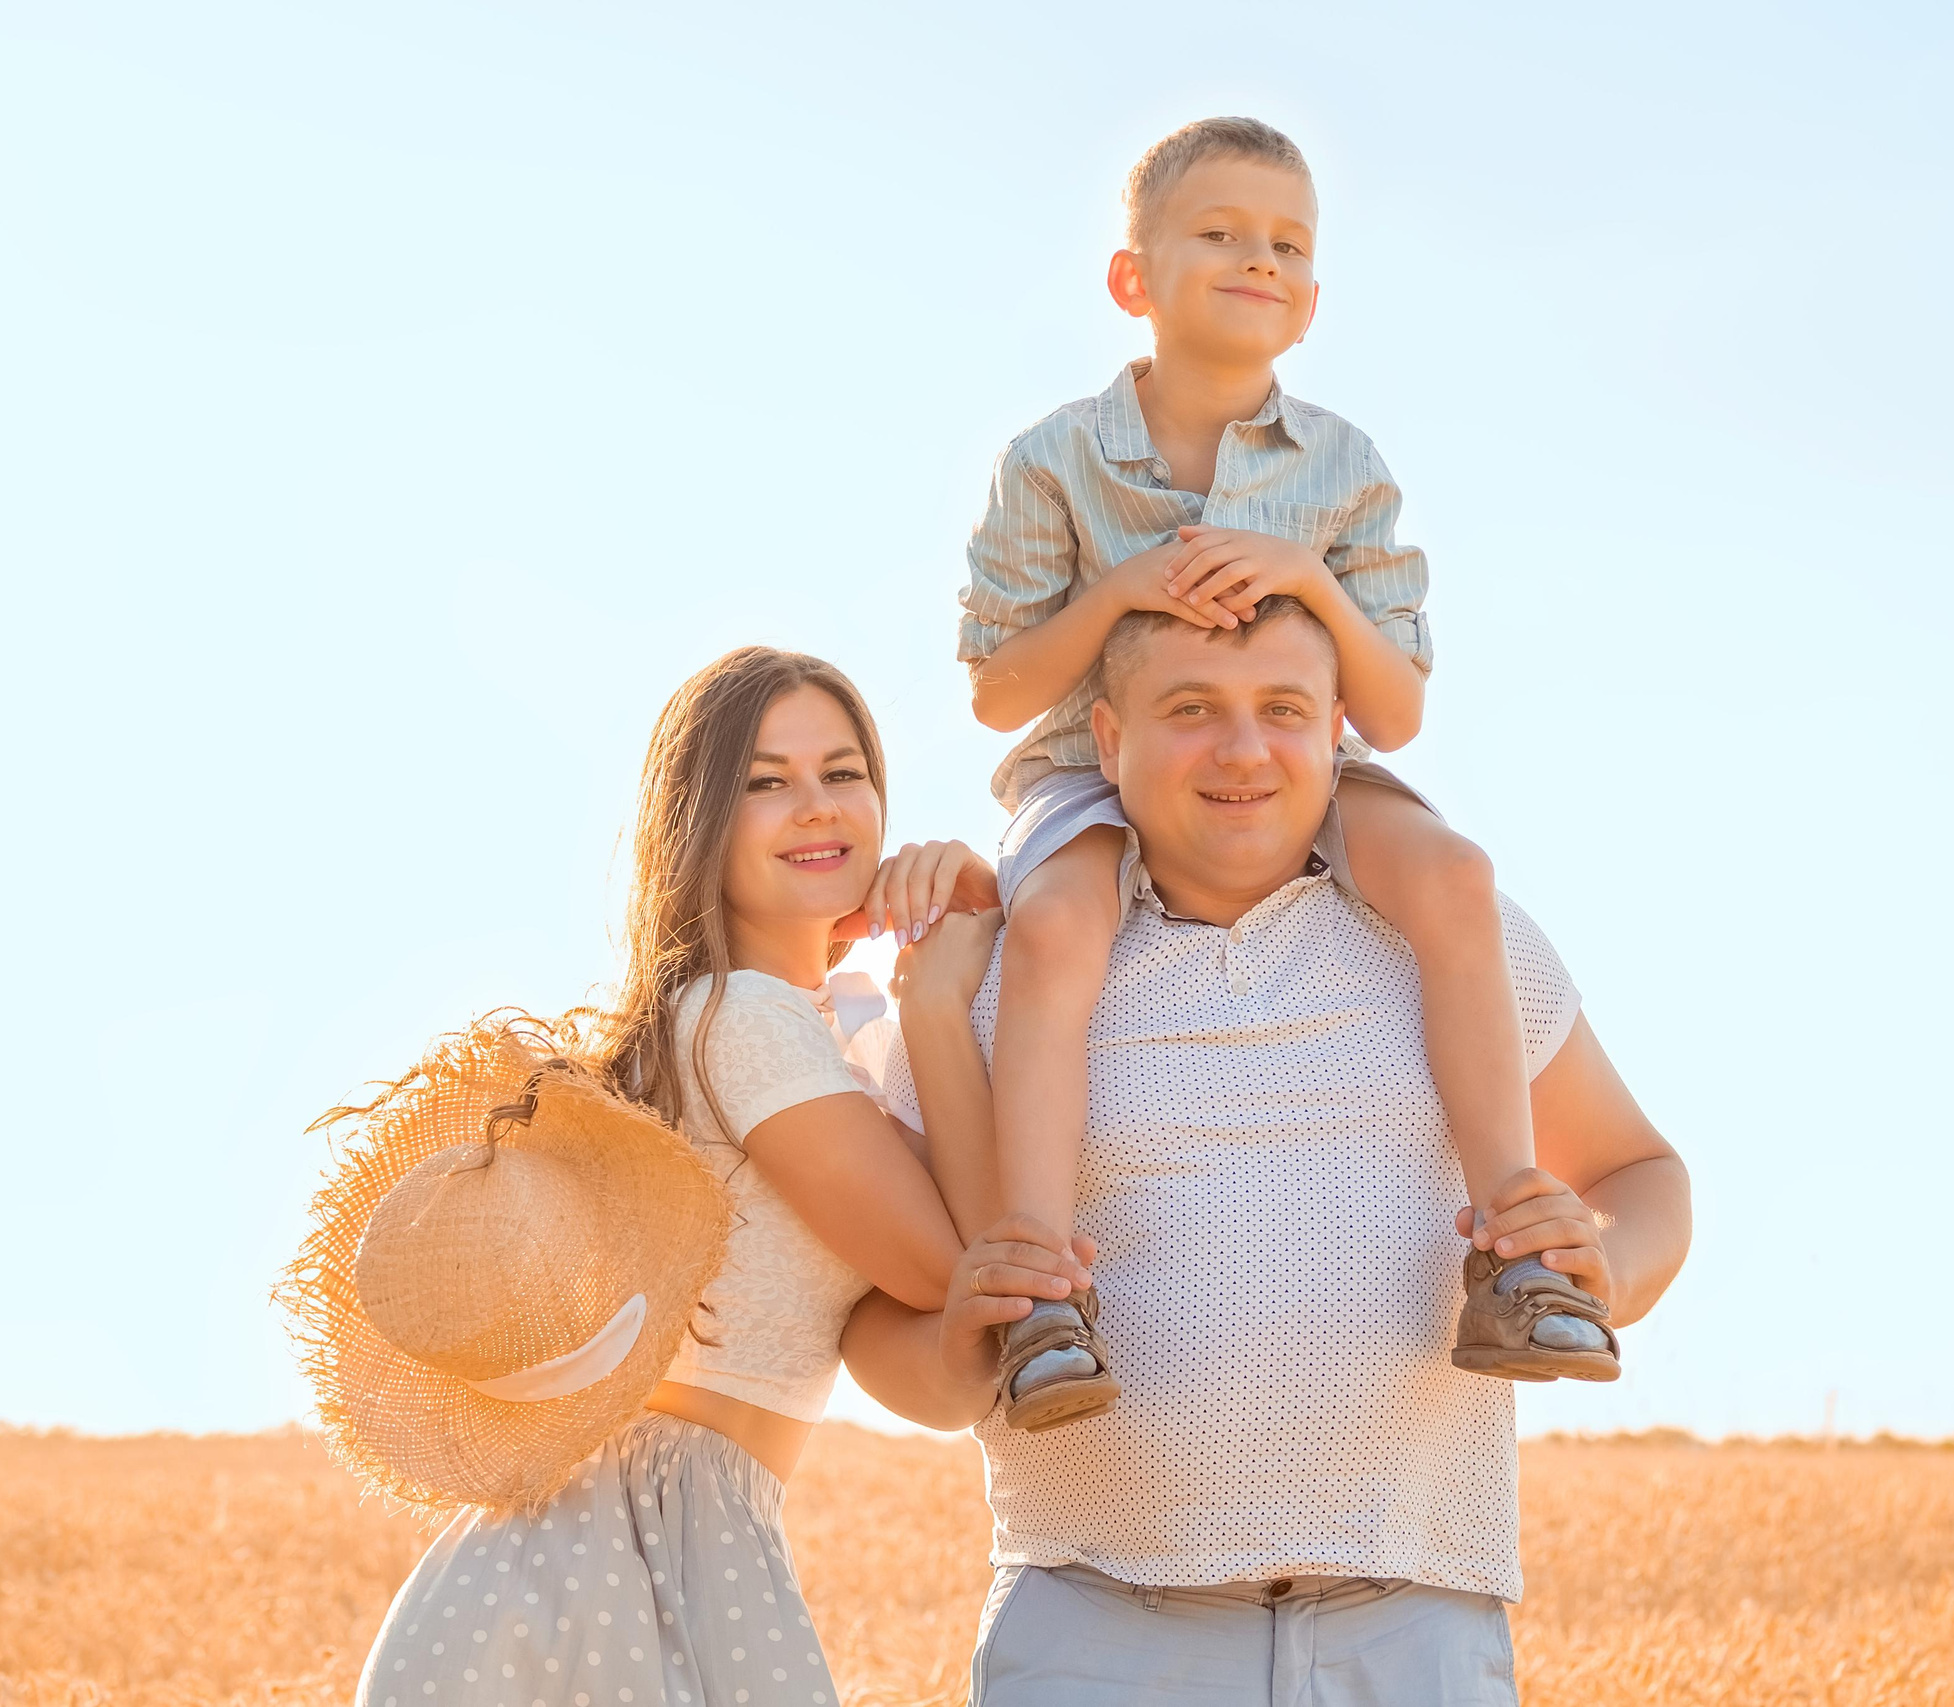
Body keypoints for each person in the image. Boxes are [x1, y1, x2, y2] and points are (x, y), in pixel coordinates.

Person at [847, 598, 1694, 1705]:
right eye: (1191, 708)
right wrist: (957, 1354)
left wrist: (1608, 1264)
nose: (1242, 750)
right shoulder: (1000, 974)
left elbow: (1643, 1174)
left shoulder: (1458, 948)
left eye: (1283, 710)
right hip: (1097, 1632)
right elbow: (874, 1316)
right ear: (1109, 741)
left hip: (1414, 1630)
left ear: (1336, 730)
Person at [955, 116, 1604, 1431]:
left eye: (1287, 245)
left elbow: (1398, 711)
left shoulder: (1343, 469)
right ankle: (1040, 1290)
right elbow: (996, 687)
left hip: (1303, 763)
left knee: (1456, 873)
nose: (1258, 258)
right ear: (1133, 278)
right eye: (1221, 233)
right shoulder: (1055, 461)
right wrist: (1125, 592)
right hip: (1094, 768)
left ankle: (1515, 1253)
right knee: (1061, 924)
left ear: (1310, 303)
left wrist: (1306, 575)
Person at [350, 646, 1081, 1707]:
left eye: (843, 773)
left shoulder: (784, 1030)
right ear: (698, 819)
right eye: (764, 782)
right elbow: (958, 1261)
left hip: (620, 1550)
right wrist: (936, 997)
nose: (816, 808)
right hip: (631, 1551)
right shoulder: (747, 1022)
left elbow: (942, 1323)